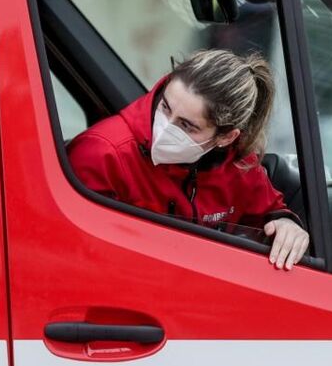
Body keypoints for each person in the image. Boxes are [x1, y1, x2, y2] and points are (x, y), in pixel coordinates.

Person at [68, 49, 309, 269]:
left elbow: (268, 211)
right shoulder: (102, 153)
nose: (165, 128)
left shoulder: (239, 164)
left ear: (226, 137)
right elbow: (78, 252)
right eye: (165, 107)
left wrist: (286, 225)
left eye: (186, 125)